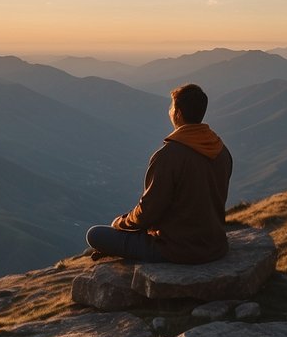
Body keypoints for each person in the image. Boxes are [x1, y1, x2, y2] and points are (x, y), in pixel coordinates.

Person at [86, 83, 233, 264]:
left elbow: (148, 212)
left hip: (176, 249)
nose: (170, 111)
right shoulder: (221, 150)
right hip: (215, 245)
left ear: (178, 113)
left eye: (171, 107)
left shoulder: (169, 155)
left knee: (95, 234)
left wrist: (120, 223)